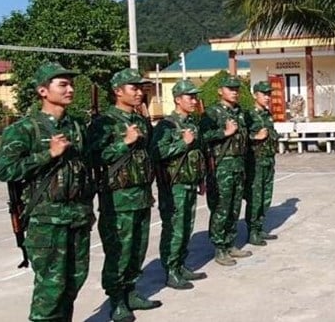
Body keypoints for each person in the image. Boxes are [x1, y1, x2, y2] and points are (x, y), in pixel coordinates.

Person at [0, 62, 96, 321]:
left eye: (71, 84)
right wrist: (46, 155)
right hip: (46, 222)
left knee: (74, 281)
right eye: (63, 84)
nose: (70, 89)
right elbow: (4, 170)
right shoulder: (25, 129)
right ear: (42, 91)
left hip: (78, 217)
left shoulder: (76, 126)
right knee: (50, 289)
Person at [88, 68, 161, 321]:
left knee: (138, 249)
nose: (140, 92)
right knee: (119, 252)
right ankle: (116, 299)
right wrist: (124, 142)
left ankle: (131, 292)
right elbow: (93, 157)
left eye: (141, 88)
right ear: (118, 91)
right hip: (117, 200)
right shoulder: (104, 122)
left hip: (141, 195)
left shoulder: (140, 119)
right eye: (134, 88)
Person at [151, 79, 208, 290]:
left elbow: (198, 153)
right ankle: (170, 270)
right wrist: (182, 143)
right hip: (173, 185)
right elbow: (156, 153)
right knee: (174, 228)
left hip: (190, 182)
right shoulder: (166, 125)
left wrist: (201, 179)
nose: (194, 100)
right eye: (190, 97)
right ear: (177, 99)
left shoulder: (192, 123)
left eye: (195, 96)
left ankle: (180, 264)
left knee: (186, 228)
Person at [200, 75, 253, 265]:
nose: (235, 92)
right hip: (221, 167)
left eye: (237, 89)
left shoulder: (240, 112)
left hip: (239, 166)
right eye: (230, 88)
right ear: (220, 91)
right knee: (221, 208)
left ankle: (231, 243)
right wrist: (225, 132)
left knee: (234, 207)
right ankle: (219, 247)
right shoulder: (212, 113)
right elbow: (202, 137)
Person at [245, 81, 280, 246]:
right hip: (256, 163)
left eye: (268, 94)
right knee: (255, 198)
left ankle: (259, 228)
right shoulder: (248, 115)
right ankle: (252, 231)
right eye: (263, 94)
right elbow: (241, 139)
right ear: (255, 95)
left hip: (268, 161)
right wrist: (255, 137)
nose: (267, 97)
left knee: (266, 197)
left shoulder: (267, 114)